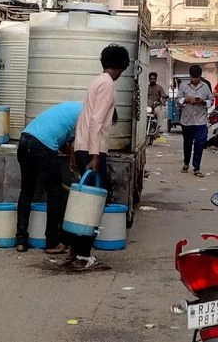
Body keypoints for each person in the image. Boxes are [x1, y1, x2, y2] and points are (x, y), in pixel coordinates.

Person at [64, 44, 131, 271]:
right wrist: (94, 155)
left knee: (84, 201)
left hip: (83, 147)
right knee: (93, 204)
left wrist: (77, 149)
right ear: (121, 65)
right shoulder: (107, 84)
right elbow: (96, 120)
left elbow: (85, 118)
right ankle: (83, 256)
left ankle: (76, 251)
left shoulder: (96, 81)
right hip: (93, 150)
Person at [15, 101, 83, 254]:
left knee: (26, 191)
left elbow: (62, 141)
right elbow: (79, 146)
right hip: (43, 146)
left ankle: (21, 241)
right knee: (55, 194)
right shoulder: (87, 114)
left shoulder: (72, 109)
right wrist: (76, 159)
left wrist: (70, 154)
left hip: (25, 140)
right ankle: (52, 242)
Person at [178, 65, 213, 177]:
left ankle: (196, 167)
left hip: (200, 120)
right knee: (187, 143)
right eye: (193, 77)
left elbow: (211, 100)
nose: (195, 80)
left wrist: (204, 102)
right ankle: (186, 163)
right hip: (187, 120)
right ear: (190, 76)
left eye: (197, 77)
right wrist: (186, 99)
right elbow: (177, 100)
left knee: (200, 143)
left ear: (200, 76)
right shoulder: (183, 86)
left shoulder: (205, 87)